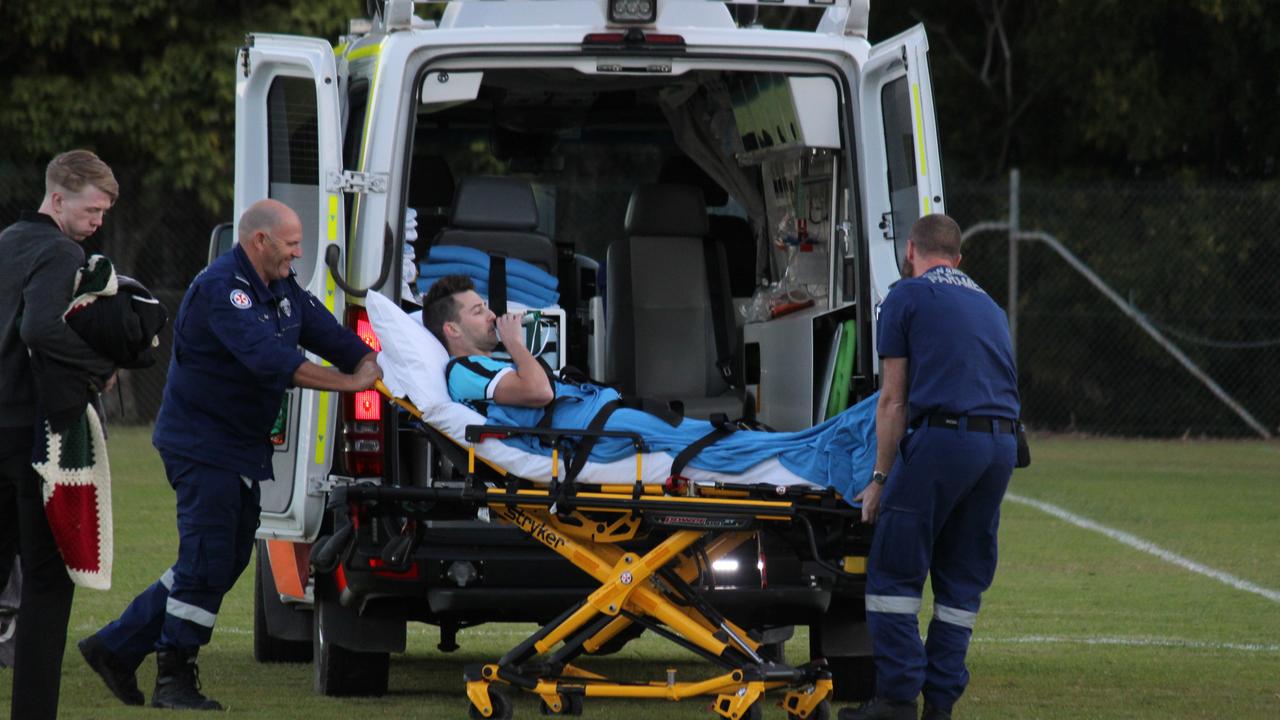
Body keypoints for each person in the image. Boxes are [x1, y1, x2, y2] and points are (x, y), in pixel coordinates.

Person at [79, 199, 382, 711]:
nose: (298, 253)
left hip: (237, 447)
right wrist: (350, 383)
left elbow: (331, 335)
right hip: (201, 445)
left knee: (227, 556)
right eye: (291, 244)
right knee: (206, 559)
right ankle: (174, 676)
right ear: (259, 241)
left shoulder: (283, 288)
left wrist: (371, 357)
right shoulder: (222, 290)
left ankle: (115, 645)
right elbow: (270, 360)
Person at [417, 274, 877, 499]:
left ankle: (870, 427)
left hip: (608, 424)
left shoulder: (485, 367)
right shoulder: (465, 373)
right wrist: (517, 345)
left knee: (741, 441)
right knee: (733, 451)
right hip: (602, 440)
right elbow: (538, 394)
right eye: (477, 311)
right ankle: (851, 465)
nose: (491, 315)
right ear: (452, 332)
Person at [842, 214, 1020, 720]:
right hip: (1001, 448)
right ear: (958, 259)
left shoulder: (905, 296)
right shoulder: (991, 306)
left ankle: (896, 700)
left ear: (910, 252)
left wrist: (879, 479)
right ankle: (938, 705)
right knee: (961, 582)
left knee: (895, 573)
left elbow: (893, 402)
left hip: (945, 441)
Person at [0, 149, 119, 720]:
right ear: (58, 198)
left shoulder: (5, 242)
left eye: (103, 213)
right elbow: (40, 326)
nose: (98, 222)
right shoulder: (59, 249)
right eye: (92, 209)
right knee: (47, 581)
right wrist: (99, 361)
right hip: (28, 432)